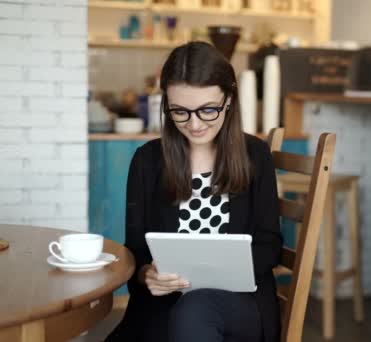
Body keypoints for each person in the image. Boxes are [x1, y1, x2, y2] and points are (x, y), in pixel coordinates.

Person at [106, 41, 282, 342]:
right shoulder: (147, 161)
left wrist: (224, 271)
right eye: (180, 112)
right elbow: (135, 250)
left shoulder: (256, 155)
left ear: (229, 100)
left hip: (241, 305)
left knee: (194, 311)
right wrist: (147, 274)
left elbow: (270, 245)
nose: (195, 124)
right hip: (167, 303)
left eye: (208, 110)